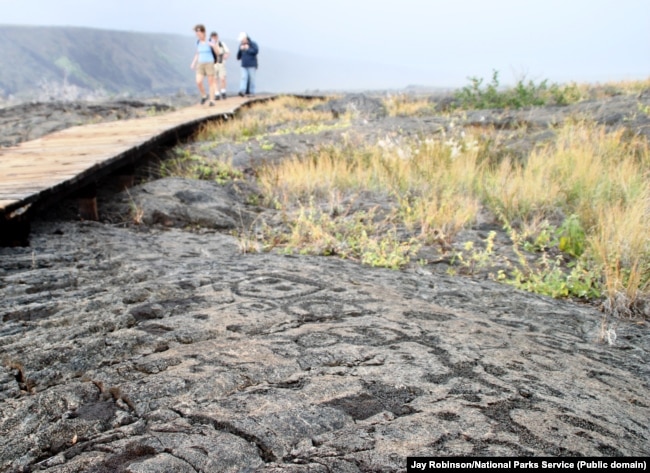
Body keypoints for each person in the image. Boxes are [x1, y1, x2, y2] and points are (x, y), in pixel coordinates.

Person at [190, 24, 218, 106]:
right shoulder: (197, 42)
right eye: (197, 33)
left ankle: (212, 100)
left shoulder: (210, 41)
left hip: (209, 62)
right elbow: (198, 53)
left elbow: (218, 52)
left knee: (211, 82)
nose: (198, 34)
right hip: (201, 63)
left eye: (199, 32)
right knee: (198, 81)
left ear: (203, 32)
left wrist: (214, 46)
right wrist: (193, 62)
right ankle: (204, 95)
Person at [236, 32, 259, 97]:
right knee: (243, 78)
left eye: (242, 40)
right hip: (244, 65)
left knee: (252, 79)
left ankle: (252, 92)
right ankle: (242, 91)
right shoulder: (241, 45)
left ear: (245, 38)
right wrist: (240, 50)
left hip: (251, 65)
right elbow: (238, 56)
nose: (241, 41)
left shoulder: (253, 44)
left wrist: (247, 49)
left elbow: (255, 51)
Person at [210, 32, 230, 100]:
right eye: (213, 37)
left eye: (215, 37)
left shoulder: (221, 44)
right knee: (215, 79)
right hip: (213, 63)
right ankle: (217, 93)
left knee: (222, 78)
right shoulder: (209, 45)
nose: (214, 38)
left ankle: (223, 91)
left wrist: (226, 56)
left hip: (221, 62)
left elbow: (227, 52)